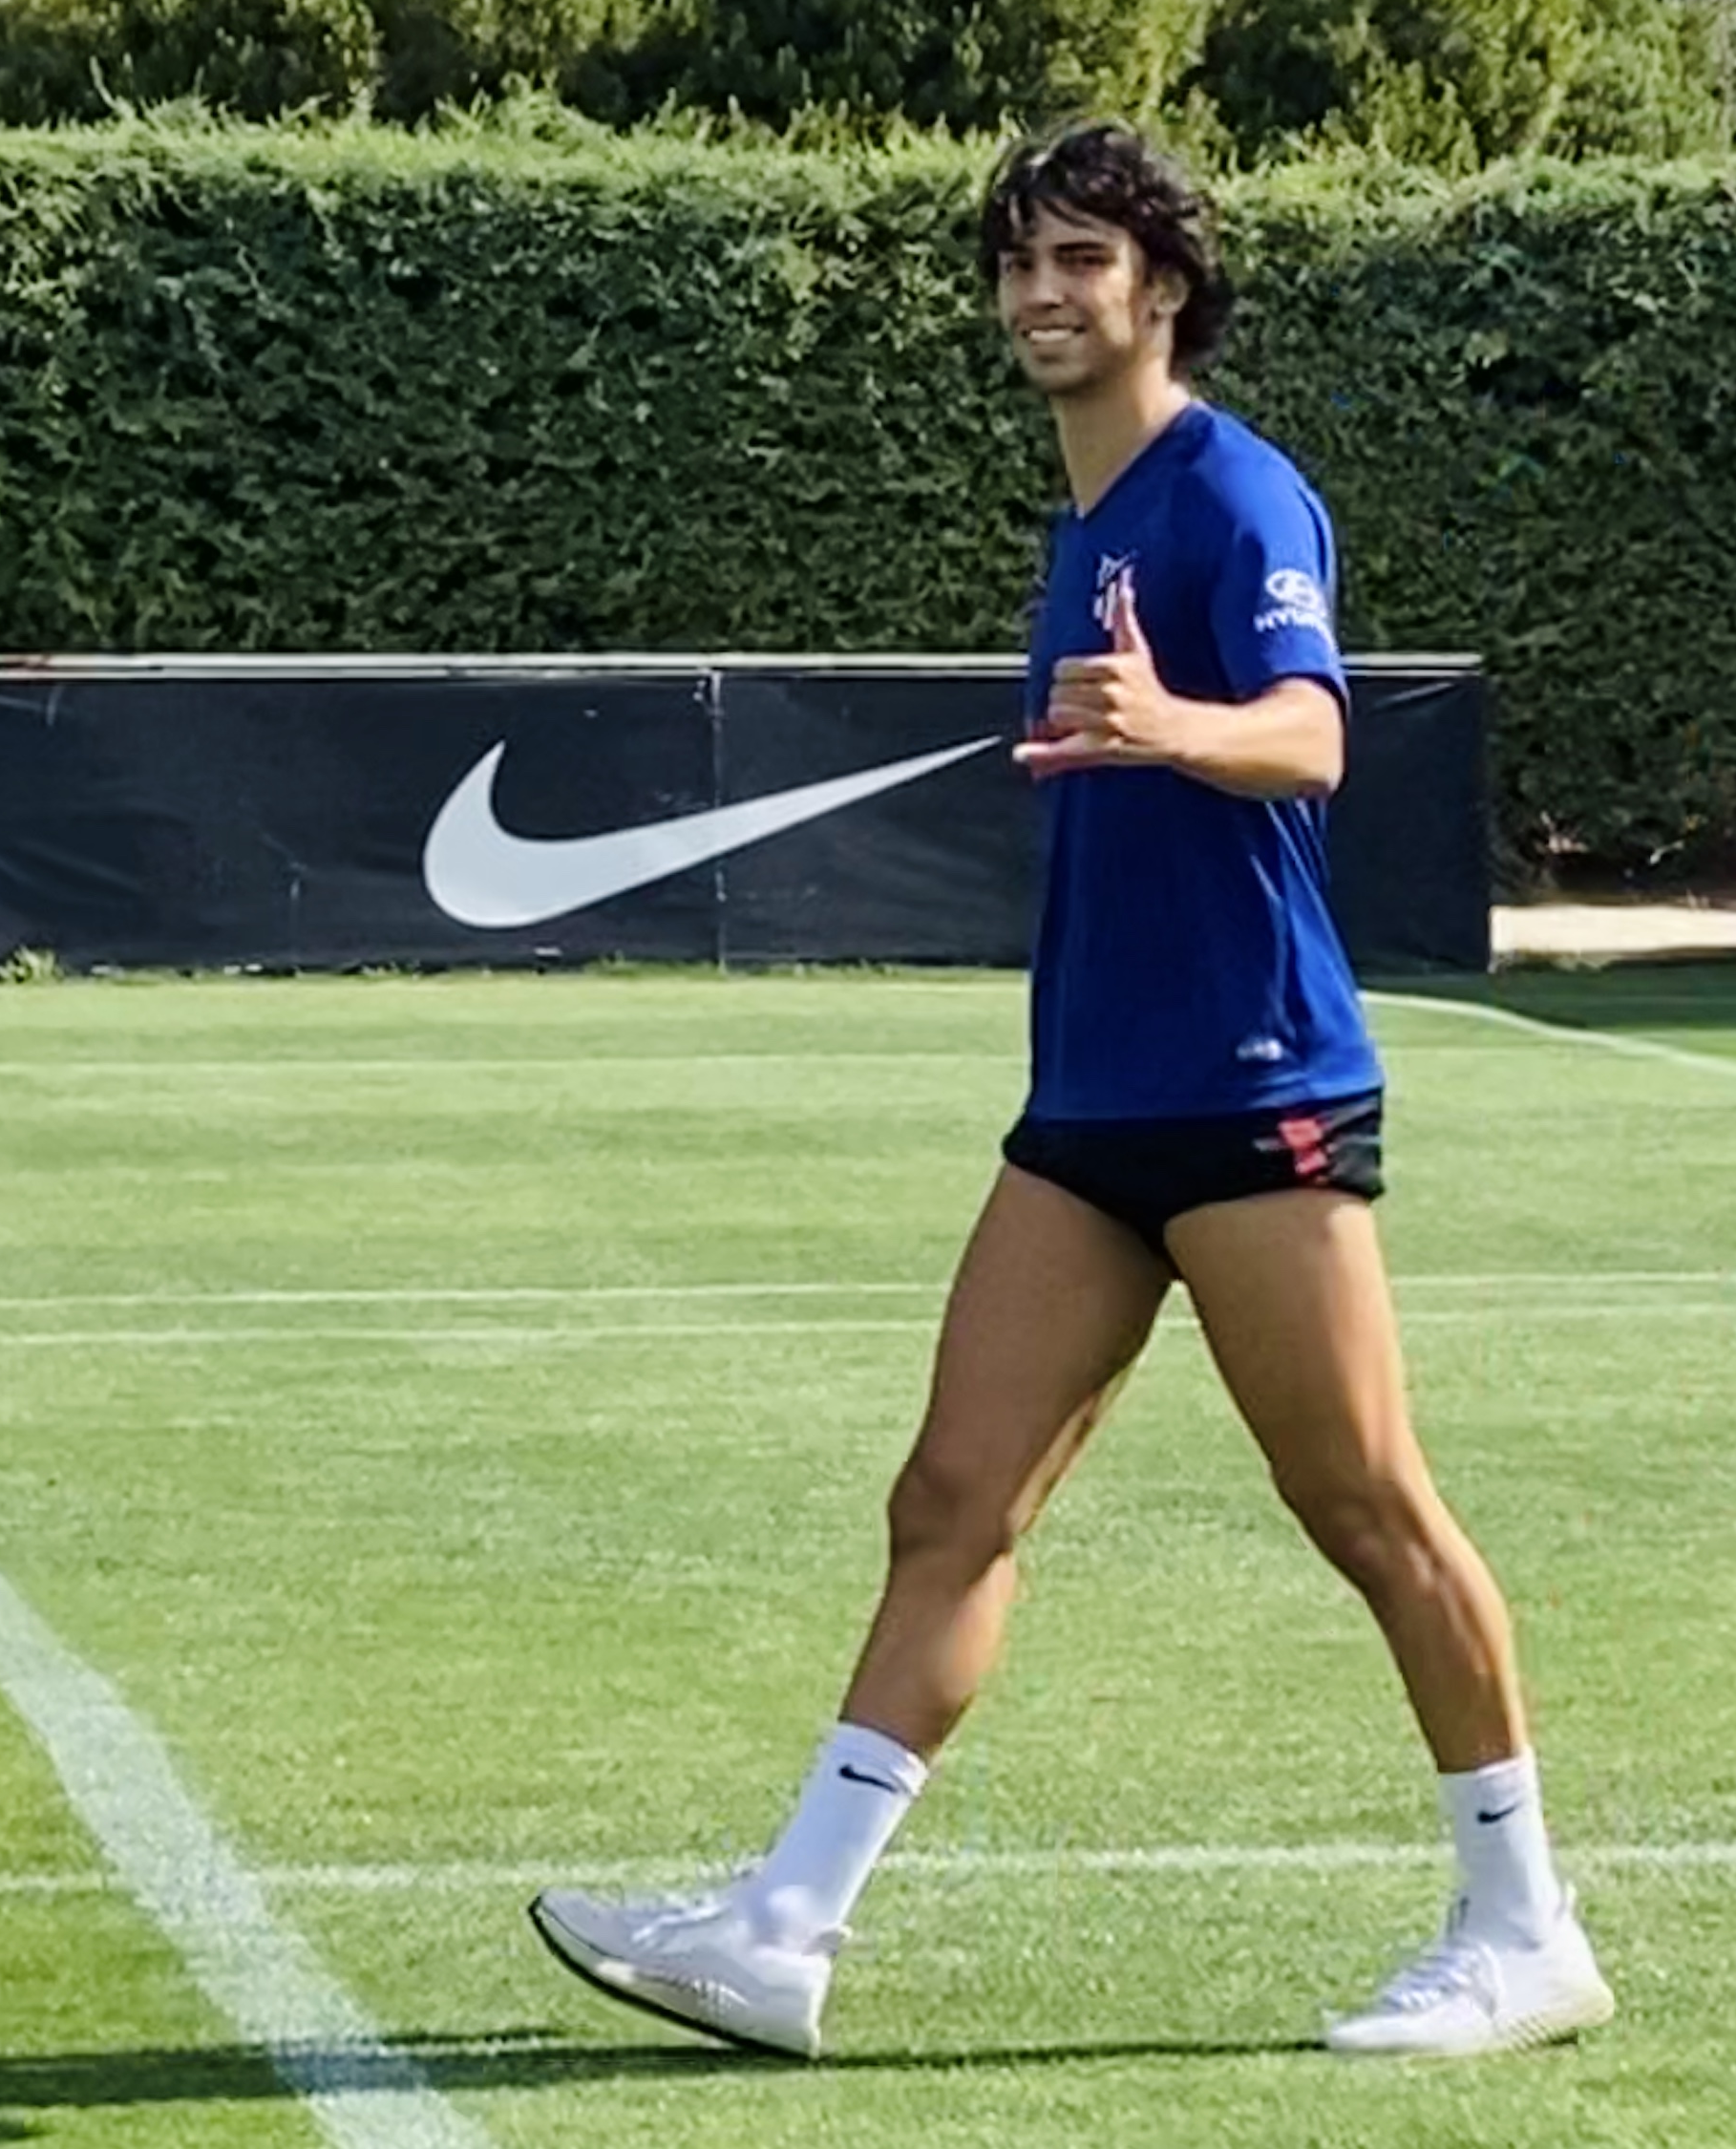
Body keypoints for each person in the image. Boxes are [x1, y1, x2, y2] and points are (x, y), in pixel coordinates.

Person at [528, 119, 1611, 2061]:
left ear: (1163, 286)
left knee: (1366, 1503)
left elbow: (1310, 735)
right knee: (950, 1493)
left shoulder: (1232, 496)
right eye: (1019, 262)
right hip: (1095, 1102)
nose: (1042, 293)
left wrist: (1168, 719)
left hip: (1256, 1086)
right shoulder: (1087, 525)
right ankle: (785, 1927)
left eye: (1081, 261)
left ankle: (1525, 1924)